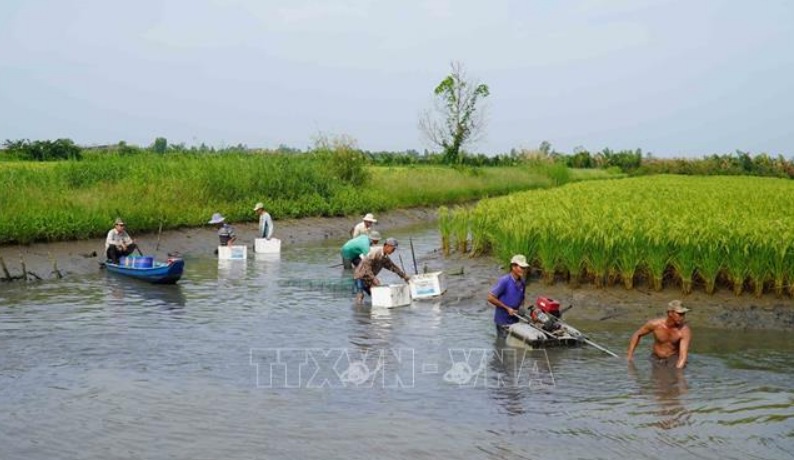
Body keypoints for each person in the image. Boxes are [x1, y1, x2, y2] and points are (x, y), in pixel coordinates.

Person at [627, 300, 692, 369]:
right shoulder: (655, 324)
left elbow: (683, 356)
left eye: (683, 314)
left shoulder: (684, 331)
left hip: (673, 358)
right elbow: (637, 335)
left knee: (672, 374)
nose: (682, 317)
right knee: (656, 377)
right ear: (670, 313)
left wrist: (678, 372)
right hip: (655, 357)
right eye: (679, 314)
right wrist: (629, 357)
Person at [353, 237, 410, 303]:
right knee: (360, 295)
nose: (393, 251)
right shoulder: (375, 251)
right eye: (393, 249)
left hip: (369, 278)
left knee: (376, 294)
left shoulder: (385, 258)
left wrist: (404, 276)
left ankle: (373, 310)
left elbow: (393, 267)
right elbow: (367, 265)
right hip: (360, 275)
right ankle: (358, 309)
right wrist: (373, 278)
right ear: (387, 246)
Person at [487, 255, 530, 338]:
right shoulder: (505, 281)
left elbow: (522, 297)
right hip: (503, 321)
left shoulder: (522, 282)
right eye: (521, 267)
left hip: (515, 320)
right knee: (502, 345)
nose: (523, 270)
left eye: (524, 268)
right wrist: (507, 308)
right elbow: (490, 297)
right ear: (513, 267)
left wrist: (521, 307)